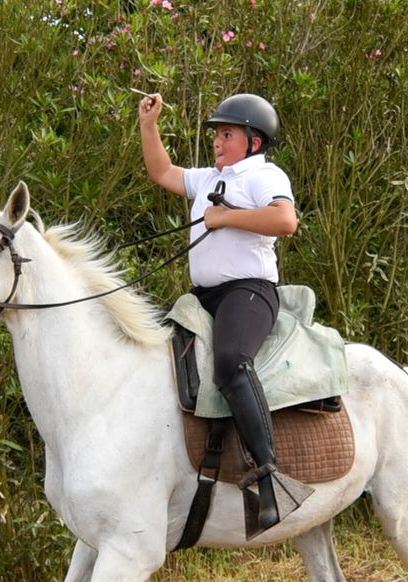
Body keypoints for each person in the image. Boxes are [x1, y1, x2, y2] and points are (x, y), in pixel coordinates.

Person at [137, 91, 306, 537]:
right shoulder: (210, 176)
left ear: (253, 141)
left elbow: (286, 221)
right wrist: (148, 126)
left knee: (231, 363)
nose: (217, 142)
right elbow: (162, 171)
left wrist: (224, 218)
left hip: (248, 293)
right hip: (204, 297)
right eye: (216, 134)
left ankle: (270, 478)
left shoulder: (263, 174)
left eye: (226, 134)